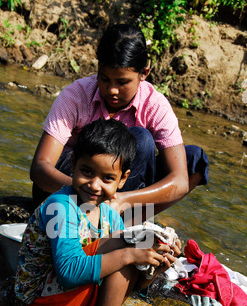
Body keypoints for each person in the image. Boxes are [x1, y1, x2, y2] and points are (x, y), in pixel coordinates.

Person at [15, 119, 181, 306]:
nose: (94, 185)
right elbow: (69, 273)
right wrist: (128, 254)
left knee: (141, 242)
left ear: (123, 179)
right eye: (86, 171)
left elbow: (127, 284)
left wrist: (156, 263)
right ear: (72, 164)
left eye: (107, 178)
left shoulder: (109, 215)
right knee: (129, 245)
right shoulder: (59, 207)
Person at [30, 23, 209, 217]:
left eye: (122, 82)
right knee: (140, 139)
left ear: (144, 74)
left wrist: (124, 200)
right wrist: (88, 190)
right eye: (104, 79)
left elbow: (181, 181)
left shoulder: (155, 105)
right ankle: (100, 219)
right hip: (69, 191)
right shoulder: (76, 96)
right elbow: (40, 168)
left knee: (193, 159)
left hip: (120, 198)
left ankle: (128, 221)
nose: (111, 90)